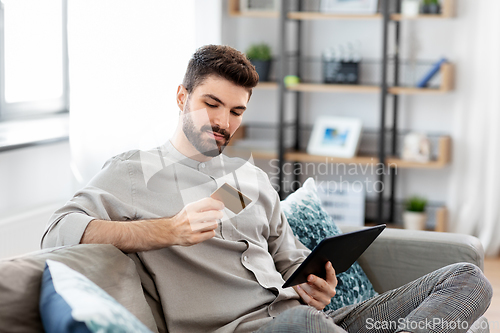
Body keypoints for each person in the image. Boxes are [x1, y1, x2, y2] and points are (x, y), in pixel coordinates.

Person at [42, 45, 492, 333]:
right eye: (211, 104)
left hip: (309, 318)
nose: (223, 122)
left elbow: (290, 262)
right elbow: (57, 232)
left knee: (467, 280)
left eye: (236, 110)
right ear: (182, 98)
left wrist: (318, 287)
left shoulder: (250, 181)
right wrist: (166, 231)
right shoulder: (133, 173)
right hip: (246, 329)